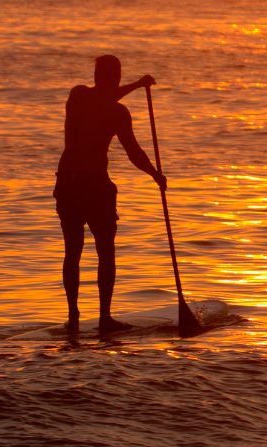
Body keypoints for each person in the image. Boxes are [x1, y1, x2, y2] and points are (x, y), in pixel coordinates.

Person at [54, 55, 167, 333]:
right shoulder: (79, 96)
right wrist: (139, 85)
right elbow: (104, 101)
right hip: (77, 185)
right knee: (78, 251)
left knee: (100, 251)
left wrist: (155, 175)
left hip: (90, 186)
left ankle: (99, 317)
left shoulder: (117, 112)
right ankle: (78, 317)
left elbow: (133, 151)